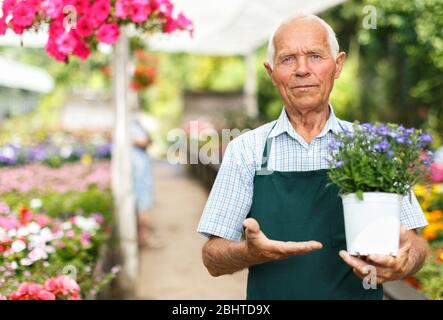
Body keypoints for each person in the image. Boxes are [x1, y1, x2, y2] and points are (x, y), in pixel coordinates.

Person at [197, 14, 430, 299]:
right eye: (288, 59)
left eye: (315, 56)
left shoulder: (372, 148)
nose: (302, 70)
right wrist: (249, 251)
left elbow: (417, 244)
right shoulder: (246, 150)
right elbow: (212, 257)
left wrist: (405, 260)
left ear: (338, 65)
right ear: (271, 73)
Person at [130, 112, 162, 248]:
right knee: (142, 203)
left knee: (143, 202)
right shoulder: (131, 124)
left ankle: (143, 234)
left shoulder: (135, 123)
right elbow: (143, 141)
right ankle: (144, 235)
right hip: (138, 168)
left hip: (141, 167)